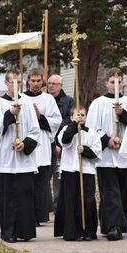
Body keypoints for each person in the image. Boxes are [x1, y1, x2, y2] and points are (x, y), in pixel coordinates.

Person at [0, 69, 40, 243]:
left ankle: (25, 231)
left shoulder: (28, 104)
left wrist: (25, 144)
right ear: (6, 83)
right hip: (5, 158)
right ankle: (8, 232)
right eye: (13, 83)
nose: (17, 86)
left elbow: (35, 130)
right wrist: (9, 114)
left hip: (23, 158)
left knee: (25, 194)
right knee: (7, 197)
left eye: (20, 83)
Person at [86, 68, 127, 241]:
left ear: (122, 83)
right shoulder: (98, 103)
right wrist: (107, 140)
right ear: (107, 83)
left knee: (122, 191)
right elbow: (92, 129)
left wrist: (123, 115)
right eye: (112, 82)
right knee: (110, 192)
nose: (116, 85)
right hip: (106, 156)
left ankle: (113, 226)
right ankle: (114, 226)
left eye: (119, 81)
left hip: (125, 157)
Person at [21, 69, 62, 226]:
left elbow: (57, 120)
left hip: (43, 145)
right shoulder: (21, 98)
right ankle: (28, 214)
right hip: (28, 144)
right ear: (28, 81)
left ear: (42, 82)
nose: (36, 83)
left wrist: (40, 117)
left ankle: (39, 215)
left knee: (41, 184)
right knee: (27, 183)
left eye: (39, 81)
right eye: (33, 80)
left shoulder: (48, 99)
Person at [54, 106, 102, 241]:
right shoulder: (66, 129)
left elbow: (97, 153)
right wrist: (74, 126)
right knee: (71, 200)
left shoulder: (92, 133)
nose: (80, 117)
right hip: (70, 170)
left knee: (87, 200)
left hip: (86, 170)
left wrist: (85, 150)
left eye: (83, 115)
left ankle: (88, 231)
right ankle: (71, 231)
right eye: (77, 115)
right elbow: (64, 141)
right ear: (71, 117)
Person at [47, 74, 74, 212]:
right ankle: (45, 204)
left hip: (62, 142)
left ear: (60, 86)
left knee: (58, 174)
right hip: (47, 142)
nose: (51, 86)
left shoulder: (69, 101)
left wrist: (58, 143)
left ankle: (58, 203)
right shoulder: (45, 99)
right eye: (49, 83)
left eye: (54, 83)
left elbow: (67, 121)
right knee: (46, 175)